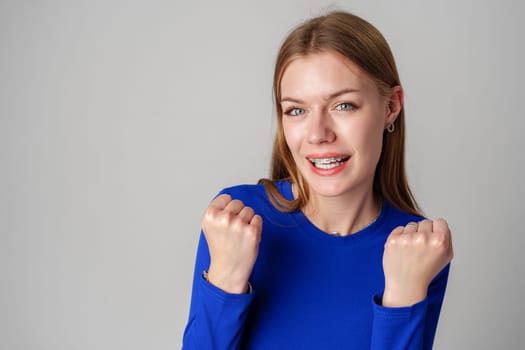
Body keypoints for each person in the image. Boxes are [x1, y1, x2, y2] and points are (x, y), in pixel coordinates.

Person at [182, 10, 453, 350]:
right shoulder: (235, 219)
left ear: (391, 107)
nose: (317, 134)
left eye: (343, 105)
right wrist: (224, 279)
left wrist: (402, 298)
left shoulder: (419, 249)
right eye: (297, 110)